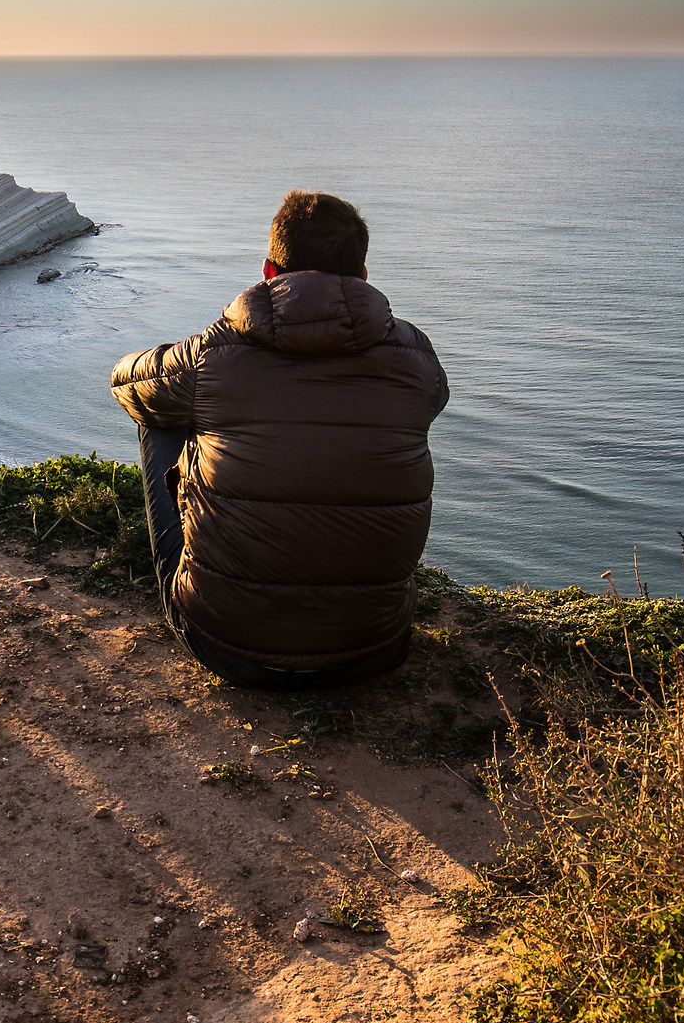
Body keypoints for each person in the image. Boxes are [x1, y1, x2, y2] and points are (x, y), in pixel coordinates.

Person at [109, 191, 449, 690]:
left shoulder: (214, 352)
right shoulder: (415, 356)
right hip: (373, 648)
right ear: (363, 275)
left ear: (270, 271)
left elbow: (126, 385)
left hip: (223, 645)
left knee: (159, 413)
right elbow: (434, 399)